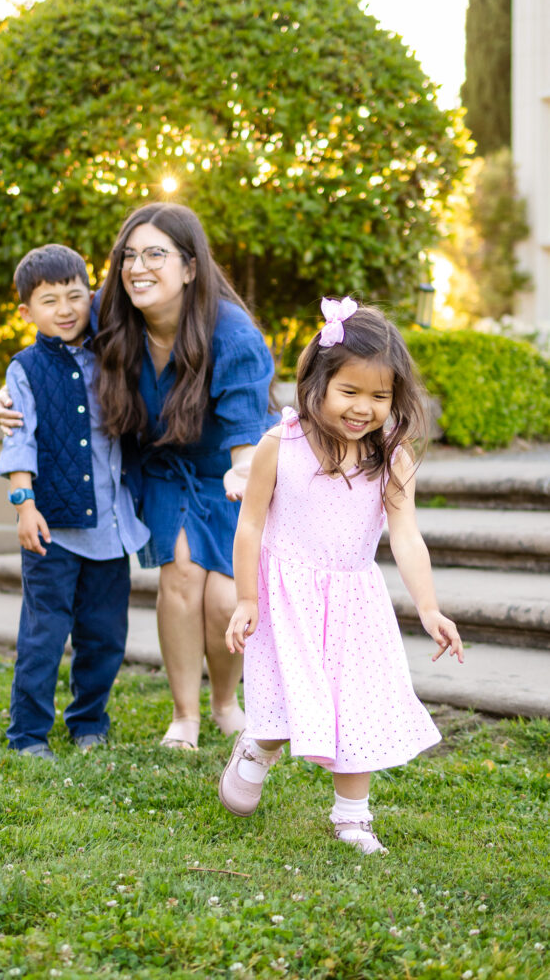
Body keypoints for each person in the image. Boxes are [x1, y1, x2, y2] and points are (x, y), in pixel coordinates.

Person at [0, 203, 276, 750]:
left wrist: (245, 475)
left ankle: (224, 702)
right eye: (129, 255)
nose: (137, 267)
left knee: (224, 600)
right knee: (181, 576)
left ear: (190, 267)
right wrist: (4, 398)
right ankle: (184, 716)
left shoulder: (232, 333)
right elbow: (49, 350)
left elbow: (246, 439)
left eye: (155, 254)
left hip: (229, 473)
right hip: (162, 469)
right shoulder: (109, 311)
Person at [218, 297, 464, 854]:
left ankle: (352, 816)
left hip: (355, 598)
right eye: (350, 392)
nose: (364, 408)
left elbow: (405, 534)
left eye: (380, 396)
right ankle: (258, 747)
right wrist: (246, 599)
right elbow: (250, 527)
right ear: (317, 385)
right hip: (286, 594)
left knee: (356, 705)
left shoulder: (391, 456)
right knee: (284, 703)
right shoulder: (281, 445)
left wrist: (428, 607)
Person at [0, 243, 150, 759]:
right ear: (26, 312)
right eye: (48, 300)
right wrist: (24, 504)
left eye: (74, 296)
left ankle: (89, 721)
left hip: (110, 531)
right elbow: (18, 438)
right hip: (53, 530)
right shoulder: (25, 370)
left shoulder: (113, 354)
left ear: (93, 297)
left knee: (105, 636)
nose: (64, 309)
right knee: (43, 635)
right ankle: (28, 734)